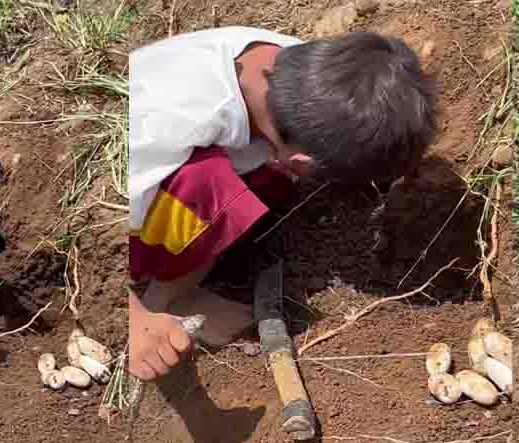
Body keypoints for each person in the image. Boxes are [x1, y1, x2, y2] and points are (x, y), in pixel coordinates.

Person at [128, 27, 436, 381]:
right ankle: (169, 299)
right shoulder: (162, 132)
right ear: (304, 162)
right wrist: (136, 321)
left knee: (268, 176)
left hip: (186, 149)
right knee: (210, 187)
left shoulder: (301, 71)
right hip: (130, 200)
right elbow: (100, 228)